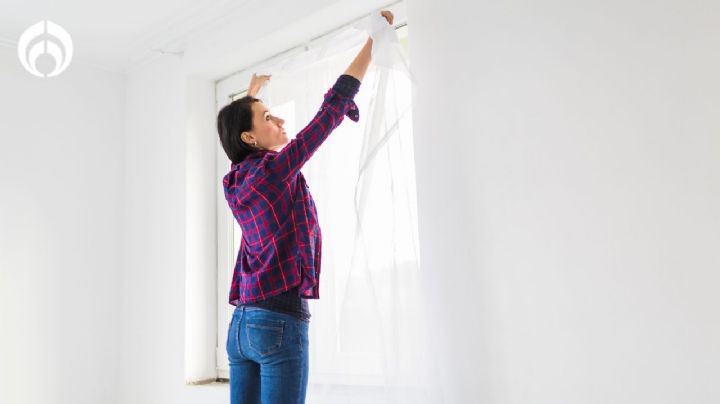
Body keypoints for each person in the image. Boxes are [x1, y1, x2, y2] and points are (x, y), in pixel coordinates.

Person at [216, 10, 394, 404]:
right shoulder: (275, 172)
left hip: (241, 327)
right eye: (266, 116)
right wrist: (372, 43)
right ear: (250, 136)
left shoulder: (235, 181)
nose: (278, 118)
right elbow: (329, 113)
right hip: (278, 322)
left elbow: (237, 147)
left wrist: (249, 96)